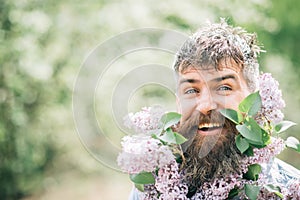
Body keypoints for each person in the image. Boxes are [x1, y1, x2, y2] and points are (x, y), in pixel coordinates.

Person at [128, 19, 300, 199]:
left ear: (255, 97)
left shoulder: (288, 190)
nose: (205, 105)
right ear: (178, 103)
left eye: (224, 88)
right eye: (191, 90)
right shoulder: (151, 190)